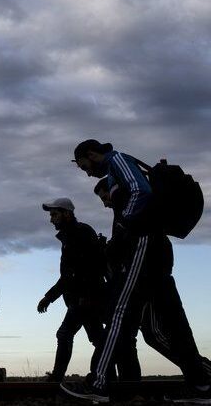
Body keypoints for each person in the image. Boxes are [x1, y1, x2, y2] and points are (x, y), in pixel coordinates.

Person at [62, 140, 211, 403]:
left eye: (85, 166)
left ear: (92, 154)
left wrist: (124, 227)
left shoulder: (117, 160)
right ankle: (201, 384)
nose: (87, 173)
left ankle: (99, 383)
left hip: (142, 244)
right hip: (156, 250)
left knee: (120, 312)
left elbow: (141, 191)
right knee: (173, 321)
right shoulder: (117, 168)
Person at [94, 178, 211, 383]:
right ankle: (200, 376)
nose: (105, 204)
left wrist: (111, 251)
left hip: (145, 276)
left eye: (104, 197)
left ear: (111, 190)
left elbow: (130, 242)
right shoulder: (130, 208)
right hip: (149, 274)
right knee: (156, 333)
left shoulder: (127, 204)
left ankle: (201, 375)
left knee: (153, 332)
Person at [37, 198, 107, 383]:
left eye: (54, 214)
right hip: (81, 298)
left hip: (86, 298)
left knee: (66, 334)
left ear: (67, 214)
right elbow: (69, 276)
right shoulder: (70, 236)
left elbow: (90, 269)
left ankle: (59, 379)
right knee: (98, 338)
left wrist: (50, 298)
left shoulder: (80, 233)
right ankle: (105, 377)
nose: (51, 219)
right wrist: (49, 297)